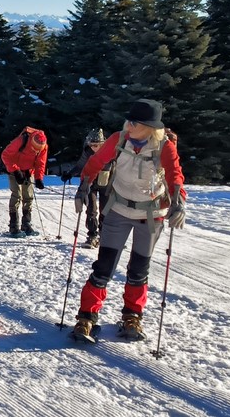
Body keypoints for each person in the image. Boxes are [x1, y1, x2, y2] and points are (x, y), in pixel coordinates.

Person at [70, 99, 187, 342]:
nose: (129, 125)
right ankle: (86, 318)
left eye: (135, 122)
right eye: (129, 120)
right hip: (118, 210)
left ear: (150, 127)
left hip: (150, 216)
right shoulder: (119, 139)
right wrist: (84, 186)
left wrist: (179, 203)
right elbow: (95, 162)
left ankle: (132, 316)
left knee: (139, 270)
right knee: (104, 267)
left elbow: (175, 176)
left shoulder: (164, 146)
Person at [61, 128, 108, 248]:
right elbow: (80, 165)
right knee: (91, 209)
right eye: (91, 145)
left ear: (102, 143)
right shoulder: (88, 152)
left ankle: (105, 236)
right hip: (90, 183)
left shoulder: (110, 151)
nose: (93, 147)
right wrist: (70, 174)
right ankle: (92, 235)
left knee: (106, 210)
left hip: (106, 184)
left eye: (96, 145)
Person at [0, 126, 49, 238]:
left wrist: (39, 178)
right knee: (17, 195)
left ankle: (26, 224)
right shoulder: (22, 140)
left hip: (28, 172)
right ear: (31, 143)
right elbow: (5, 155)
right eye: (34, 149)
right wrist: (16, 170)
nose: (36, 151)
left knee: (28, 196)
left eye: (38, 150)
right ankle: (14, 225)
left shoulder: (43, 147)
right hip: (14, 170)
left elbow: (41, 163)